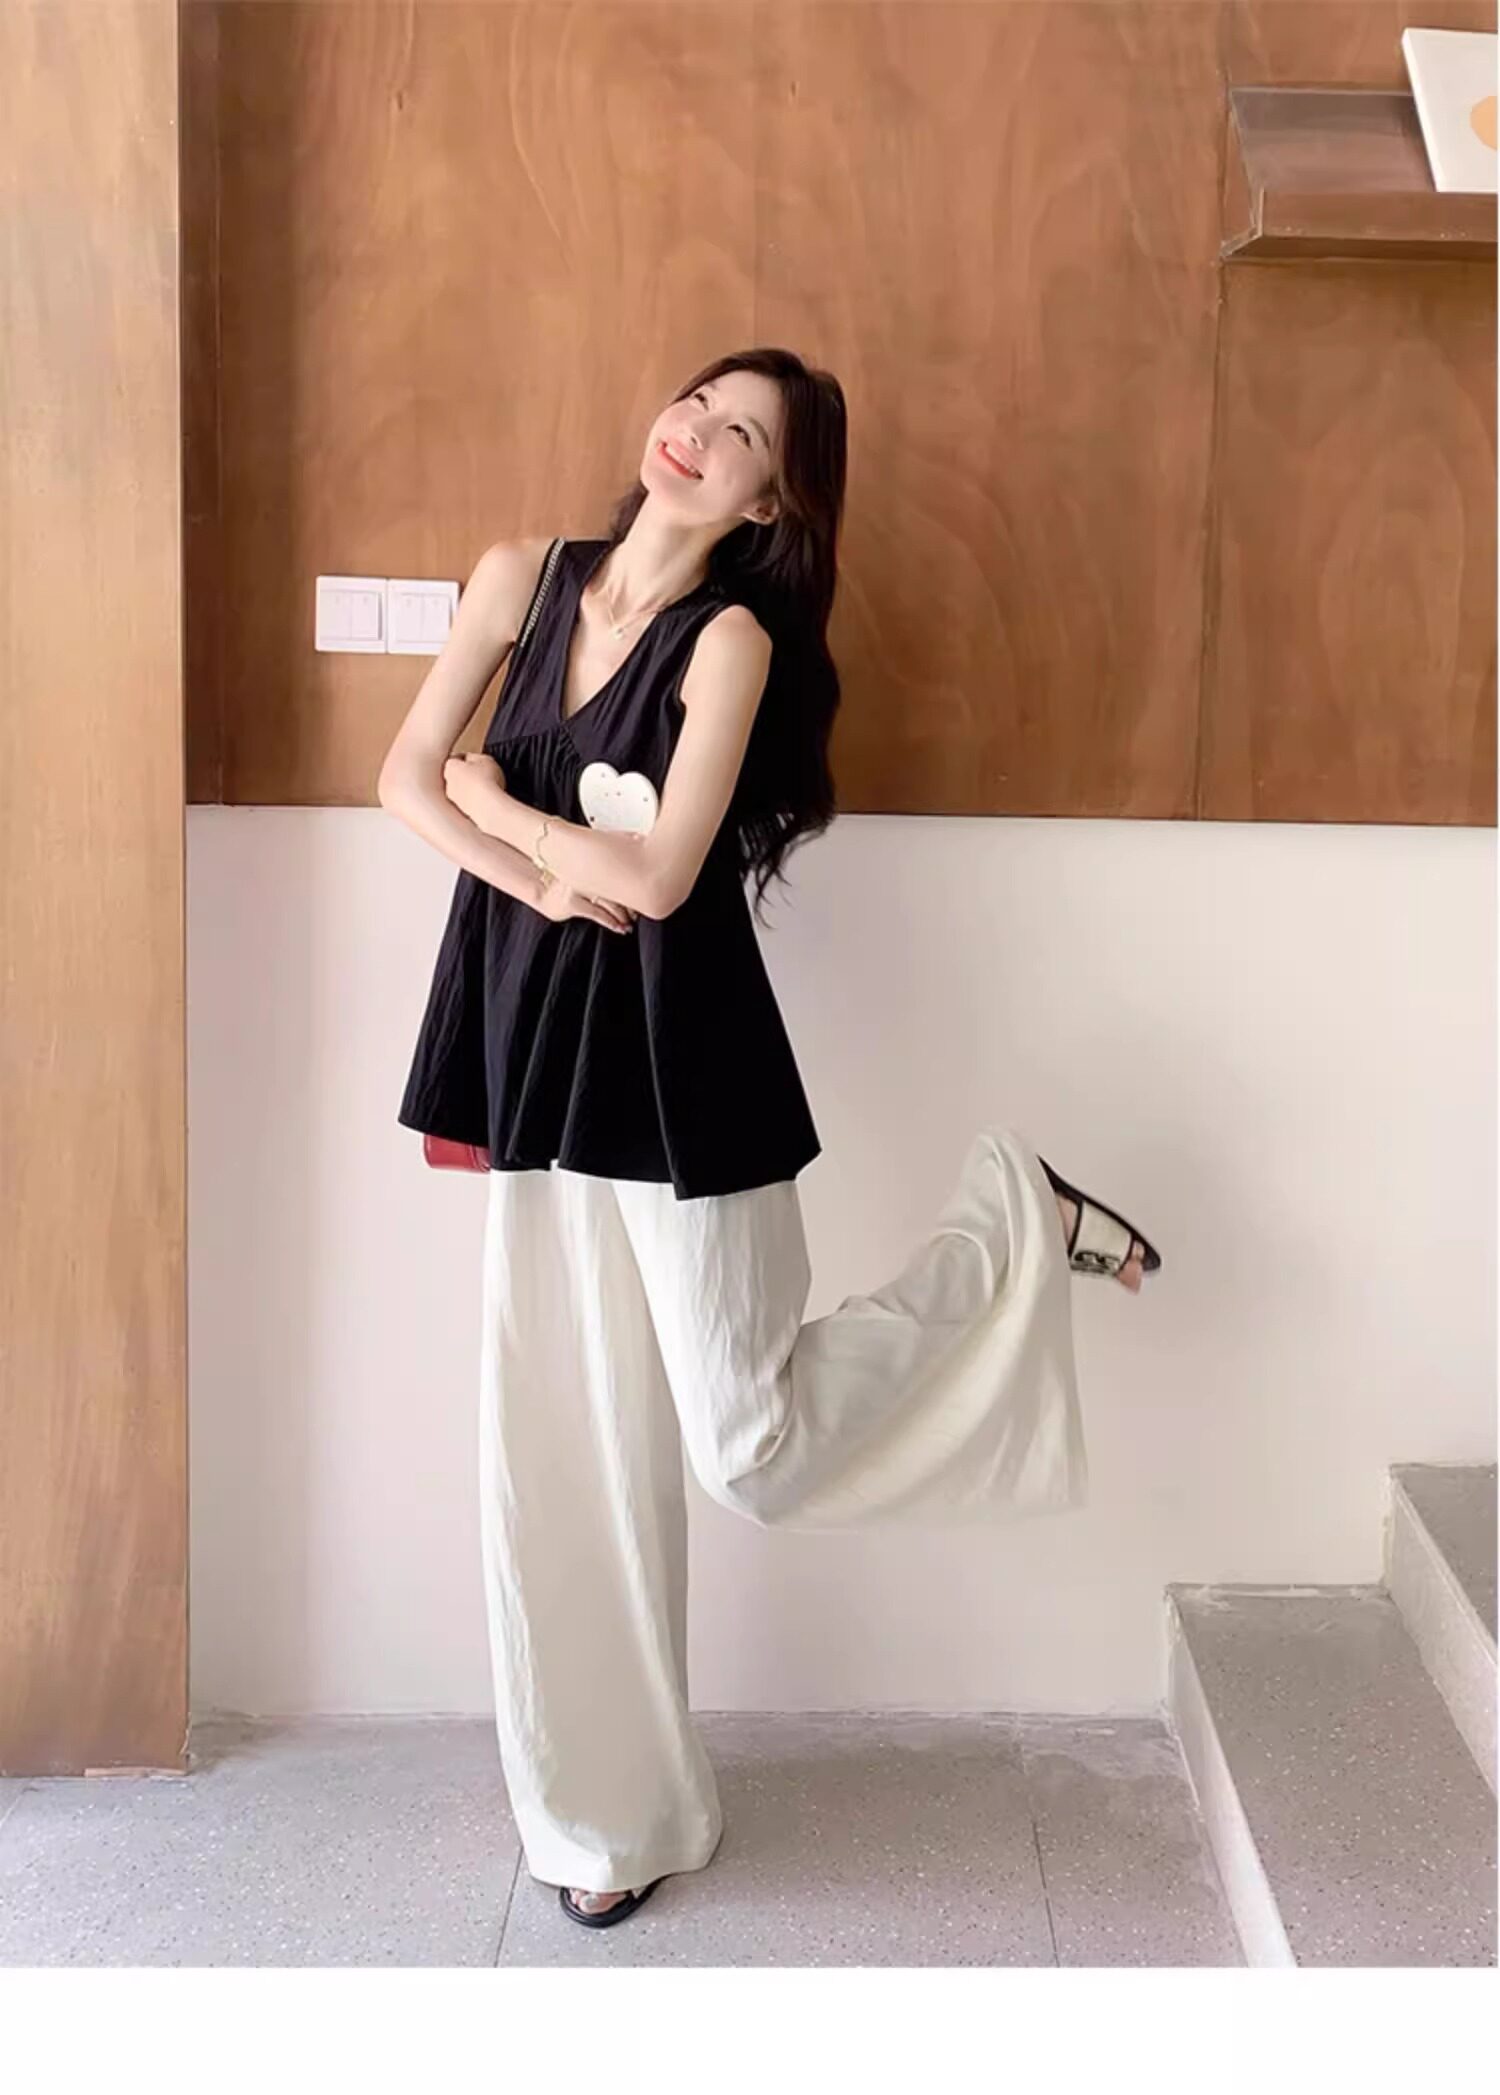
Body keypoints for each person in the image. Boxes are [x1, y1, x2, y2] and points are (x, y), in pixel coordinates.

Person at [378, 347, 1161, 1930]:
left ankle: (1013, 1219)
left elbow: (662, 877)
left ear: (766, 503)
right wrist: (542, 885)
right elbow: (403, 779)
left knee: (747, 1443)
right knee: (561, 1444)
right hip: (539, 1053)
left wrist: (506, 814)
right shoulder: (521, 577)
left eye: (743, 433)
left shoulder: (728, 642)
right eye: (700, 401)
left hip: (686, 1072)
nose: (699, 433)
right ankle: (608, 1821)